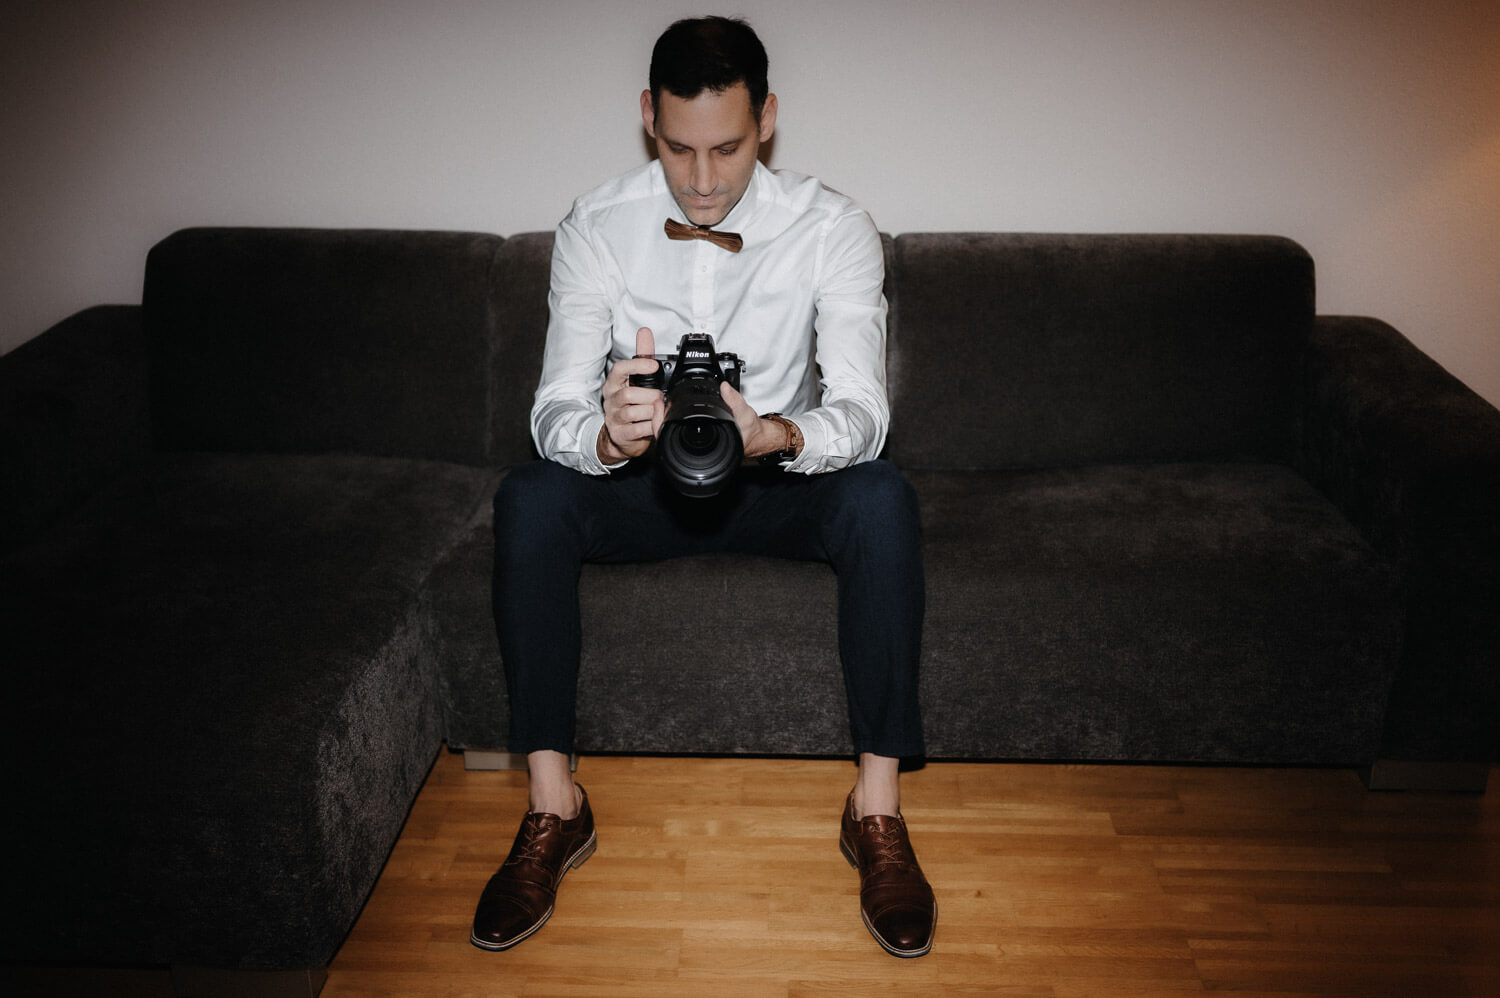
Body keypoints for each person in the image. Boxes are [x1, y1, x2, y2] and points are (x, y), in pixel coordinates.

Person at [471, 15, 935, 958]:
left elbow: (863, 411)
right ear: (648, 116)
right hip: (645, 485)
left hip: (772, 480)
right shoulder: (596, 224)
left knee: (883, 496)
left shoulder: (832, 227)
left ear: (768, 119)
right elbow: (552, 409)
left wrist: (774, 434)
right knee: (528, 496)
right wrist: (606, 435)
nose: (704, 179)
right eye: (680, 148)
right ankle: (556, 804)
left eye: (727, 148)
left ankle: (876, 811)